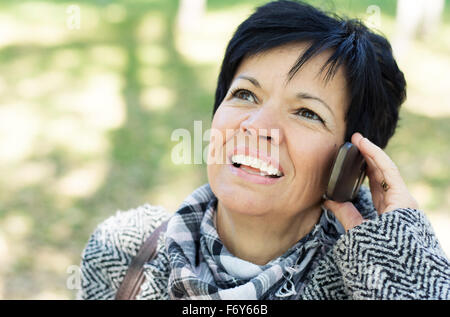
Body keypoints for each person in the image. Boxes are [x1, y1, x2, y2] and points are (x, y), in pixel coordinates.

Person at [79, 0, 450, 300]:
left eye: (307, 113)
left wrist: (398, 254)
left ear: (352, 164)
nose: (256, 126)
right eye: (245, 94)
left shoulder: (378, 282)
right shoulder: (122, 253)